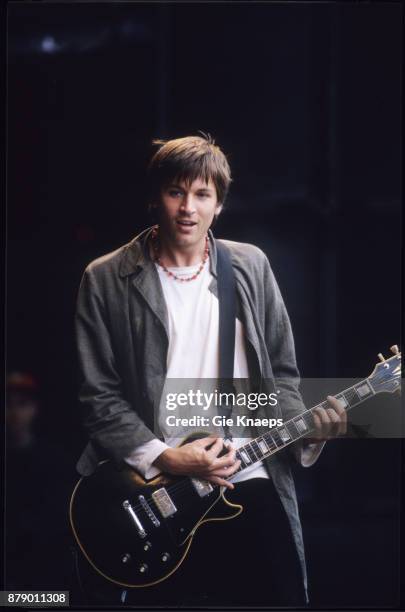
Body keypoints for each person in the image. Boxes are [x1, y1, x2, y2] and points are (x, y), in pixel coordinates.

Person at [74, 134, 347, 607]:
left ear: (219, 204)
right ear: (154, 196)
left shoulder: (249, 266)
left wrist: (311, 432)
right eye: (175, 191)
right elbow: (99, 395)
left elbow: (280, 377)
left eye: (202, 194)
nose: (188, 208)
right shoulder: (105, 277)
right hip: (155, 486)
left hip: (245, 470)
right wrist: (164, 456)